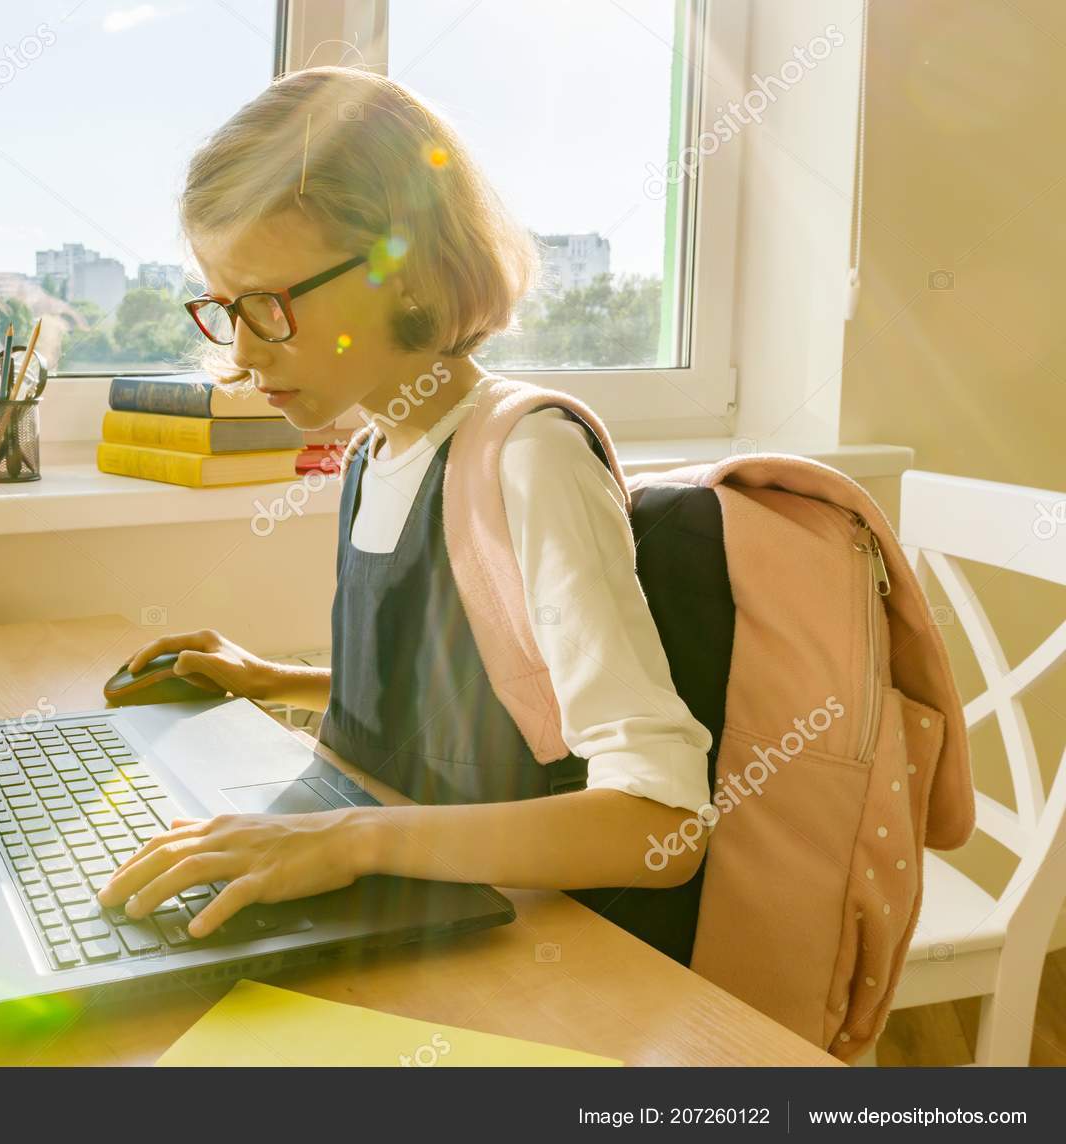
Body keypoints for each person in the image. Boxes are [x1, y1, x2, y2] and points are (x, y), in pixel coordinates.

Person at [97, 66, 714, 963]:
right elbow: (457, 703)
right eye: (226, 309)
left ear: (408, 267)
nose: (238, 354)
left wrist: (347, 842)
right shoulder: (372, 453)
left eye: (271, 305)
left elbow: (664, 822)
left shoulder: (527, 457)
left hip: (534, 955)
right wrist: (270, 679)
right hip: (411, 925)